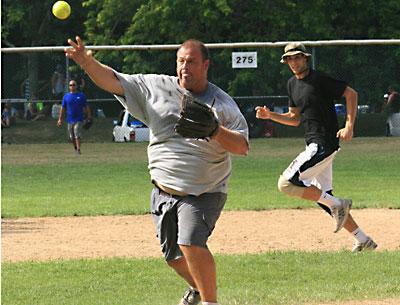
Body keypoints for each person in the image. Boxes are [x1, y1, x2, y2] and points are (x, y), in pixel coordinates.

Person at [65, 36, 249, 305]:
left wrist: (215, 131)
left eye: (192, 62)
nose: (185, 67)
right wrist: (87, 63)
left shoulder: (222, 104)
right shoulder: (155, 87)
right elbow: (113, 80)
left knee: (190, 242)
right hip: (163, 190)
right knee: (173, 257)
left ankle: (211, 302)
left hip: (203, 191)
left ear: (206, 65)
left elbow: (242, 146)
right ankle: (198, 289)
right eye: (181, 61)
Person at [255, 42, 377, 253]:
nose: (293, 62)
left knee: (286, 183)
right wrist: (270, 116)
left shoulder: (319, 79)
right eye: (289, 59)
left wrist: (349, 125)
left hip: (323, 143)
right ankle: (362, 239)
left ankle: (340, 203)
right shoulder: (292, 84)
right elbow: (294, 119)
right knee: (324, 198)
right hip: (314, 142)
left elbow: (351, 94)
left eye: (296, 57)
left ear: (305, 58)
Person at [57, 79, 91, 155]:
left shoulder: (81, 95)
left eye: (73, 85)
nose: (72, 86)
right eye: (70, 85)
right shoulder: (66, 96)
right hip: (69, 119)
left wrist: (88, 117)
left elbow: (86, 107)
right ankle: (76, 148)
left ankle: (78, 149)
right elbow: (63, 108)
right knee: (71, 136)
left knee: (77, 132)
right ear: (69, 87)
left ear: (76, 86)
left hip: (79, 118)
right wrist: (60, 119)